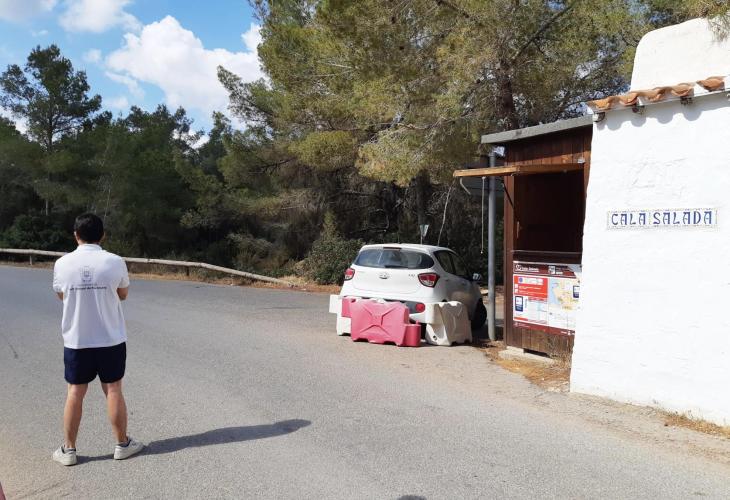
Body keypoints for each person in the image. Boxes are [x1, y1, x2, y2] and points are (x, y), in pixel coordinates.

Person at [51, 213, 143, 465]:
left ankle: (69, 450)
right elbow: (123, 294)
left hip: (77, 340)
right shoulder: (115, 261)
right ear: (103, 235)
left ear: (76, 235)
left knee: (75, 392)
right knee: (113, 389)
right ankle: (122, 444)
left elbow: (61, 295)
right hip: (110, 338)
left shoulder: (62, 263)